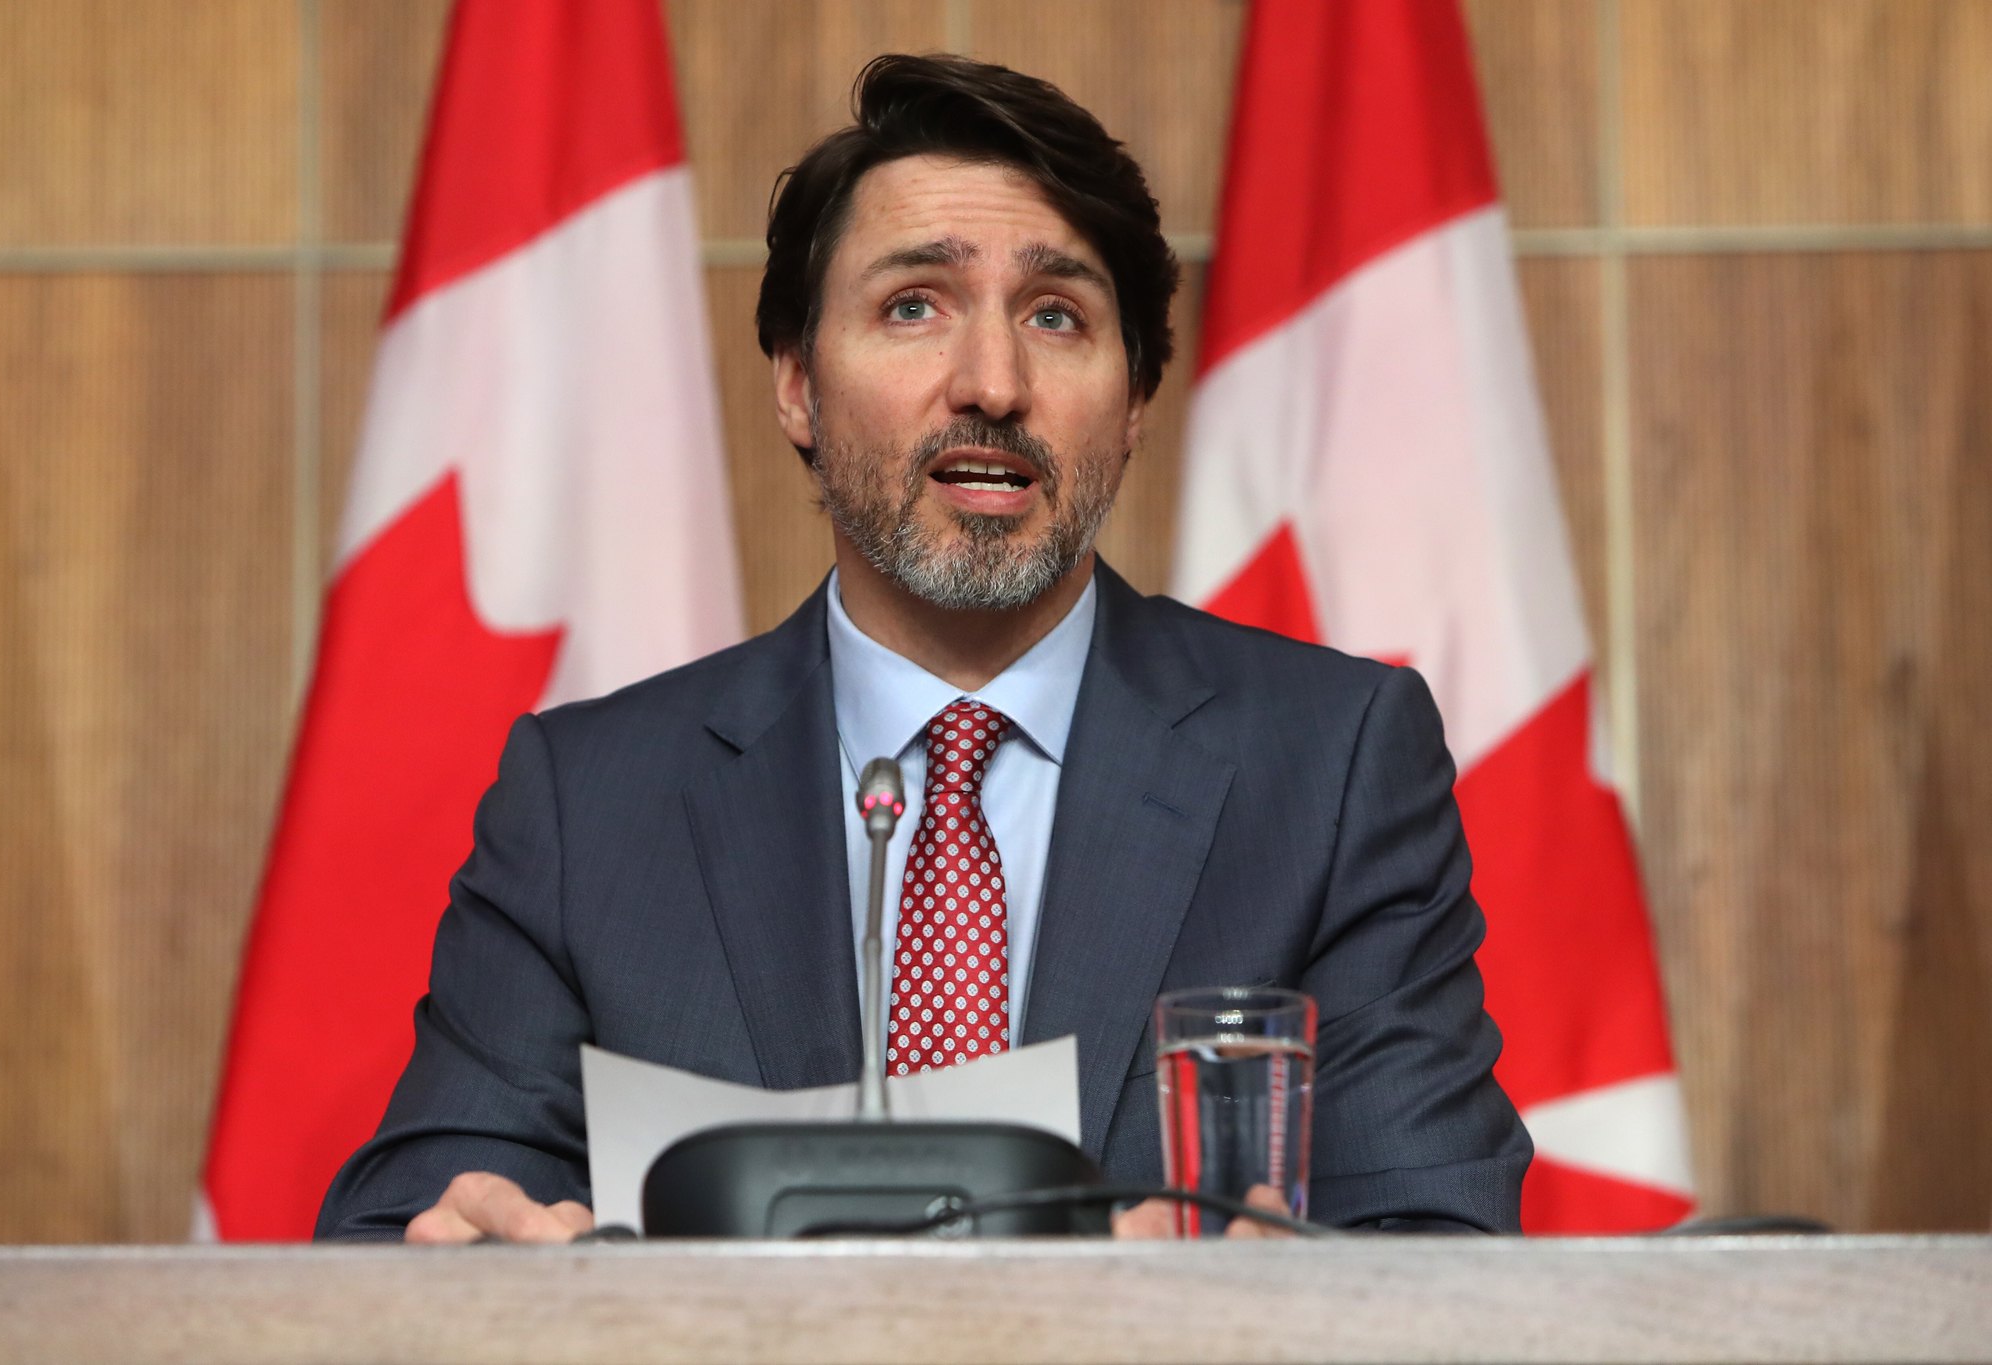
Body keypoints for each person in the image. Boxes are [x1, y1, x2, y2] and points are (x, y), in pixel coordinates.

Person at [318, 53, 1530, 1243]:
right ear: (796, 383)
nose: (991, 383)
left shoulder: (1326, 769)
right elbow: (405, 1234)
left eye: (1056, 316)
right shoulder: (593, 803)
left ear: (1135, 399)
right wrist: (469, 1271)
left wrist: (1264, 1315)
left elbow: (1440, 1241)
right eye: (912, 306)